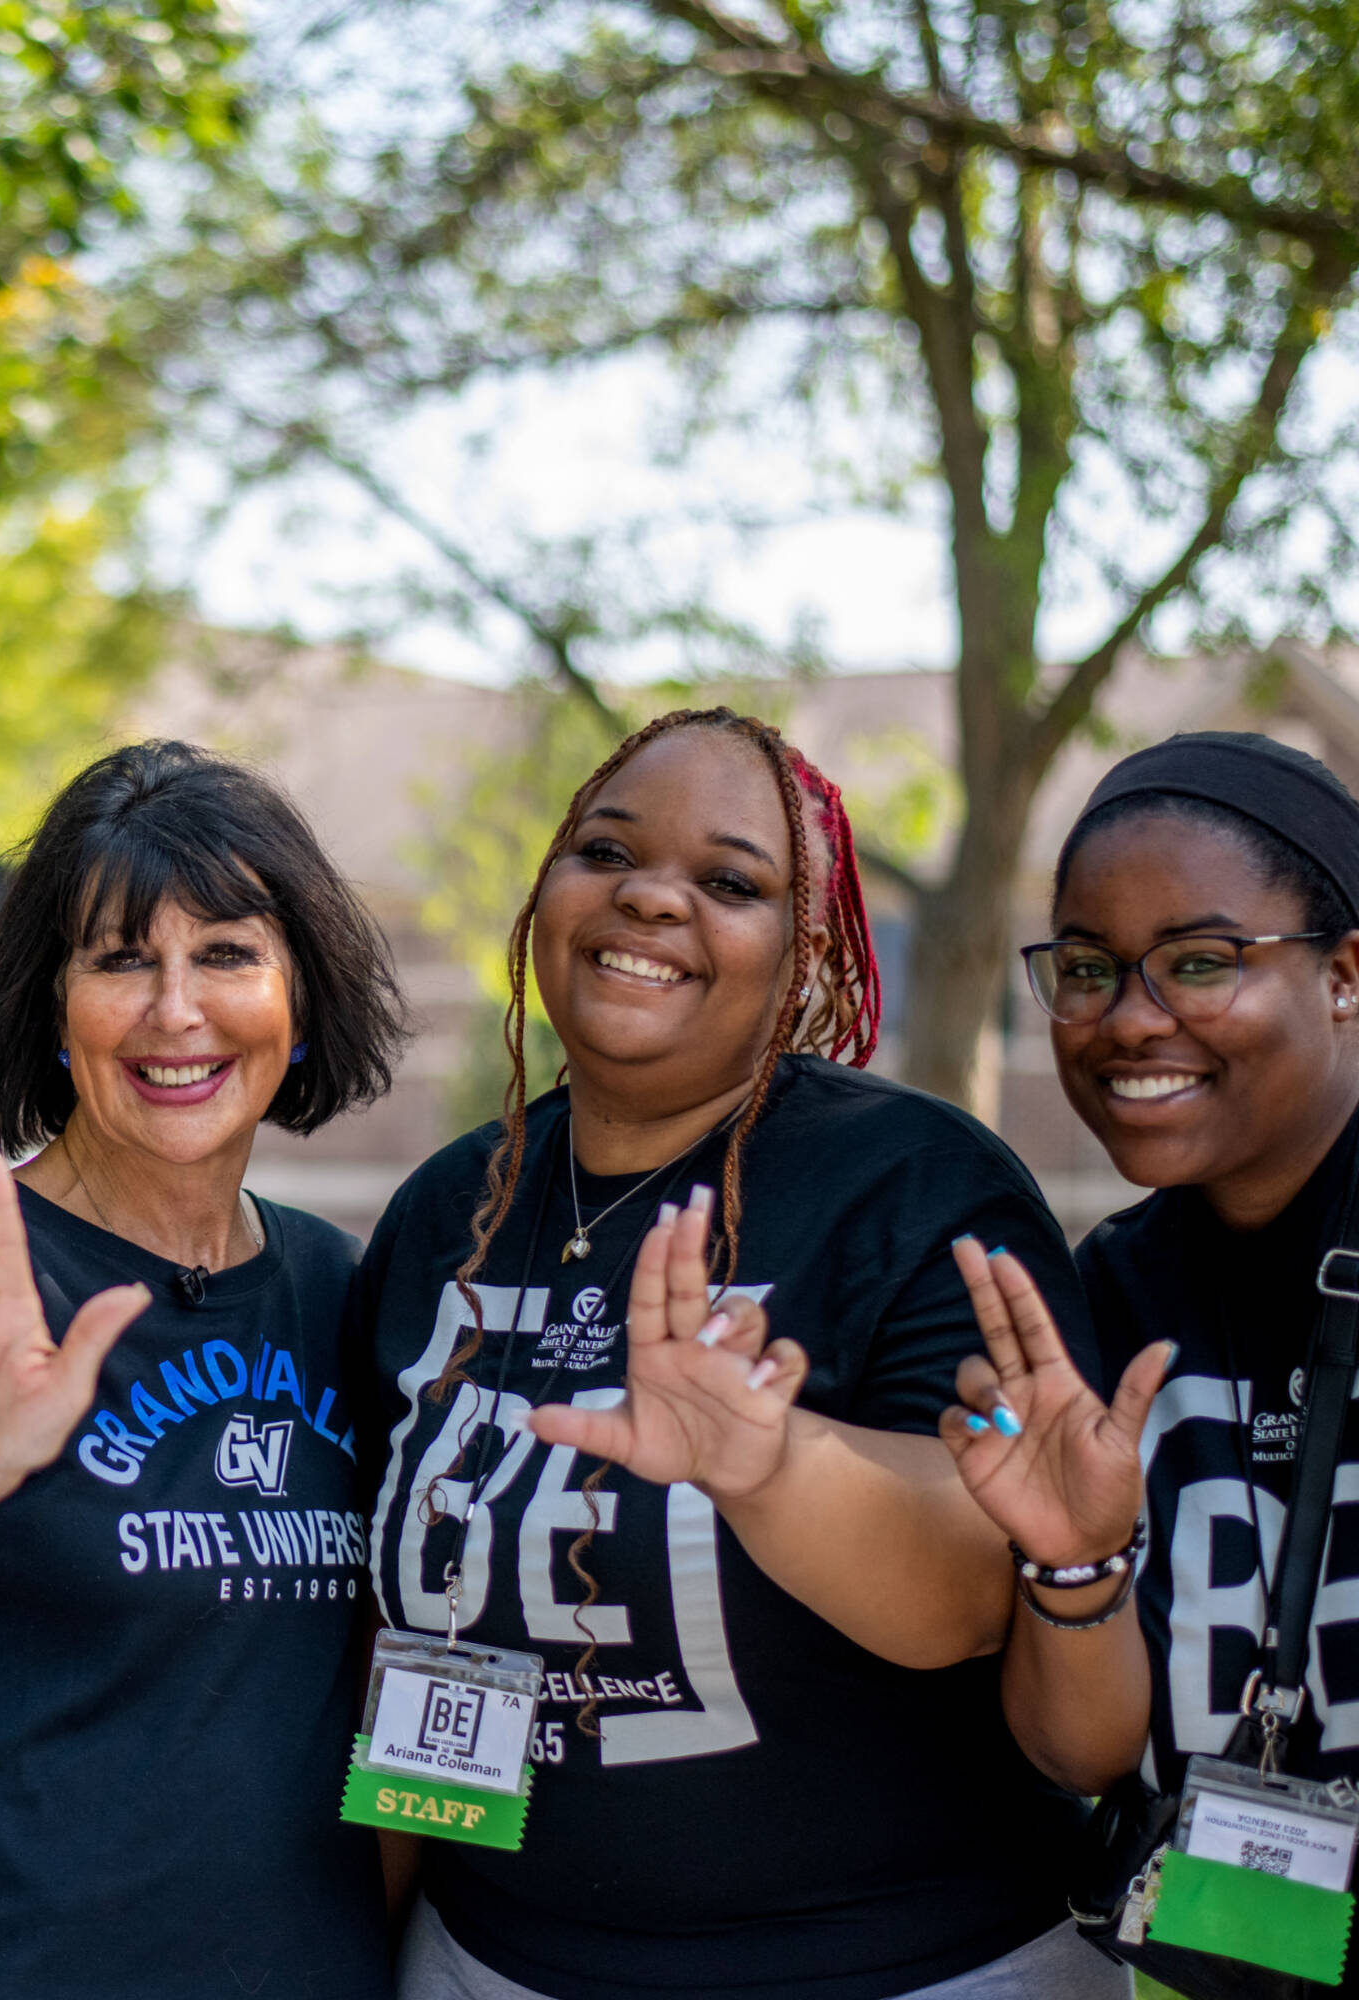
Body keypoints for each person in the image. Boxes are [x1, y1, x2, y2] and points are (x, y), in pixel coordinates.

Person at [354, 705, 1126, 2000]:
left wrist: (771, 1466)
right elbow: (401, 1639)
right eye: (608, 853)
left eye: (729, 881)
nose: (653, 898)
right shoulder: (450, 1209)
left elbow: (980, 1585)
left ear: (807, 949)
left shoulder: (913, 1185)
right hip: (487, 1960)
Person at [0, 738, 412, 1998]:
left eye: (226, 953)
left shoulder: (344, 1291)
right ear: (52, 1009)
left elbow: (396, 1674)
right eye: (121, 959)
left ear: (299, 993)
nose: (176, 1011)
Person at [934, 736, 1359, 1915]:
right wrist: (1071, 1560)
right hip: (1250, 1937)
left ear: (1343, 975)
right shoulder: (1104, 1300)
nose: (1127, 1018)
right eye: (1086, 967)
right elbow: (1079, 1756)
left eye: (1198, 960)